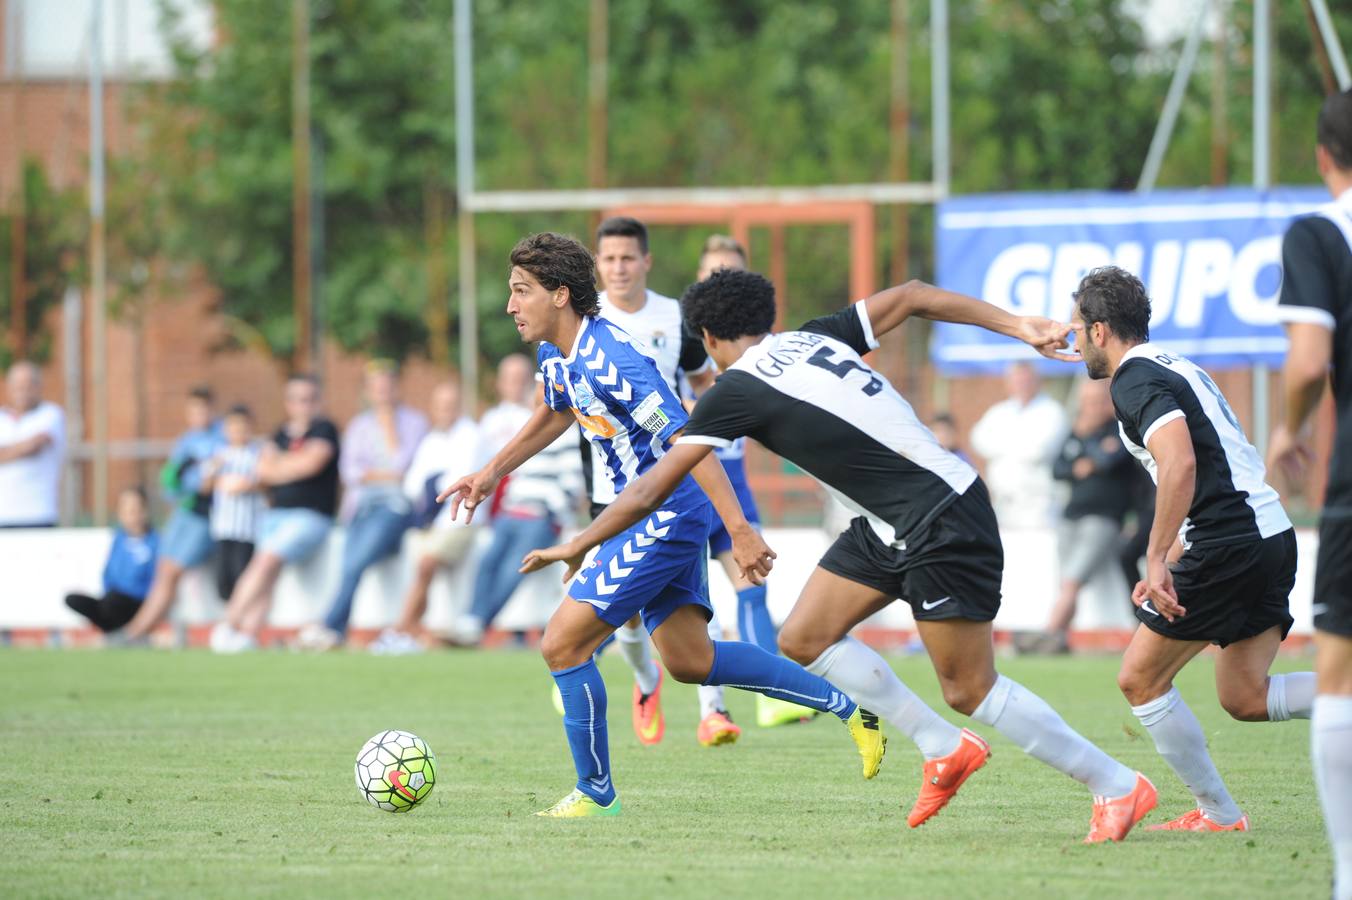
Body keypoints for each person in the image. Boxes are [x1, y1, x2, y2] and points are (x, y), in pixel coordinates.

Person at [524, 267, 1154, 841]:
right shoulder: (816, 338)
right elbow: (910, 296)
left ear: (709, 337)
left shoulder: (736, 388)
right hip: (891, 520)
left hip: (938, 517)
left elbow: (652, 484)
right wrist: (1016, 325)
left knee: (970, 689)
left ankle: (1117, 786)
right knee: (804, 636)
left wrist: (579, 543)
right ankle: (942, 747)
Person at [443, 232, 884, 819]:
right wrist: (489, 473)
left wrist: (741, 529)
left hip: (667, 514)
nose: (510, 306)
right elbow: (555, 410)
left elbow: (690, 441)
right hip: (645, 514)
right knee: (689, 661)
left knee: (562, 643)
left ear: (560, 295)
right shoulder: (557, 353)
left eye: (521, 292)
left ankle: (596, 792)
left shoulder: (617, 362)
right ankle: (852, 709)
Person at [1069, 265, 1314, 833]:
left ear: (1101, 330)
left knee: (1139, 679)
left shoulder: (1131, 381)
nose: (1074, 339)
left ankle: (1220, 815)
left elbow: (1181, 462)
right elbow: (1209, 471)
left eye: (1078, 328)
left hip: (1233, 542)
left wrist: (1155, 558)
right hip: (1268, 535)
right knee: (1246, 696)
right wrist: (1173, 556)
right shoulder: (1176, 365)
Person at [592, 216, 730, 748]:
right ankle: (646, 681)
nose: (619, 267)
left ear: (646, 261)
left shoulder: (675, 318)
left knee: (696, 597)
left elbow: (701, 382)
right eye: (609, 259)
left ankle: (712, 711)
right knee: (623, 615)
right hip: (609, 488)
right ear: (597, 266)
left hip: (674, 483)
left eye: (628, 258)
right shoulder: (585, 321)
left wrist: (700, 417)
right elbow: (555, 401)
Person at [1266, 86, 1352, 900]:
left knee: (1341, 678)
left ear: (1324, 157)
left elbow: (1305, 362)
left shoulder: (1321, 231)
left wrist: (1291, 428)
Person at [695, 233, 811, 734]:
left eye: (731, 273)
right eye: (713, 272)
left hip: (732, 476)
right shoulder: (682, 338)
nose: (721, 281)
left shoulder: (756, 341)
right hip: (683, 476)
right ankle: (708, 707)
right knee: (676, 596)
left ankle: (772, 697)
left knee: (751, 583)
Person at [300, 362, 427, 650]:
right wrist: (385, 474)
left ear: (397, 388)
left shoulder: (414, 422)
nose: (382, 392)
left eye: (387, 385)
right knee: (349, 565)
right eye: (376, 387)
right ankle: (335, 630)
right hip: (361, 508)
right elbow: (351, 473)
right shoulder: (359, 425)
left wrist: (388, 426)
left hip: (395, 507)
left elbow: (406, 465)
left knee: (355, 562)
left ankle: (329, 626)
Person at [211, 374, 340, 653]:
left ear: (318, 401)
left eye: (309, 399)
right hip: (275, 515)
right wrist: (287, 466)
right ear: (288, 403)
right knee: (267, 574)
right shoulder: (280, 433)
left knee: (265, 562)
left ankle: (228, 625)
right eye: (296, 400)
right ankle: (247, 636)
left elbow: (309, 464)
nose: (303, 405)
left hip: (309, 516)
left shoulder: (325, 429)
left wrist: (281, 466)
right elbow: (264, 469)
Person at [450, 389, 582, 647]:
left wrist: (549, 508)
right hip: (512, 512)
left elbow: (571, 485)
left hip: (540, 516)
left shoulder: (568, 433)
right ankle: (471, 620)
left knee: (514, 566)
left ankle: (478, 624)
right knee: (487, 562)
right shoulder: (528, 432)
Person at [368, 380, 481, 655]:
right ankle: (412, 631)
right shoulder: (432, 439)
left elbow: (457, 484)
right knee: (420, 567)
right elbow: (413, 484)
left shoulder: (471, 436)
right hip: (430, 524)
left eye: (450, 405)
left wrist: (433, 488)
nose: (445, 411)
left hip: (462, 521)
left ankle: (401, 630)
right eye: (440, 406)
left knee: (426, 564)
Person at [1026, 379, 1136, 654]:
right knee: (1067, 582)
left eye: (1097, 401)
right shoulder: (1076, 431)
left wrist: (1090, 458)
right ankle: (1059, 639)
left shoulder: (1119, 430)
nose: (1091, 407)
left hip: (1104, 517)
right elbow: (1059, 468)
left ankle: (1048, 635)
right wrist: (1086, 459)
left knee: (1073, 579)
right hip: (1071, 515)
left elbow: (1110, 460)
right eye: (1087, 401)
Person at [120, 386, 222, 640]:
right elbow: (170, 483)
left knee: (171, 573)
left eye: (204, 409)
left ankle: (136, 633)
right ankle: (143, 630)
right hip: (183, 514)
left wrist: (200, 482)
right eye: (194, 410)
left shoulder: (221, 439)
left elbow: (211, 482)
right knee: (164, 572)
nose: (200, 414)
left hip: (204, 517)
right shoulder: (185, 442)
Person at [970, 360, 1068, 528]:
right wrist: (1021, 440)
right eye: (1017, 381)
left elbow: (1039, 451)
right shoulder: (999, 411)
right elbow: (979, 440)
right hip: (1002, 500)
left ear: (1037, 382)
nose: (1022, 385)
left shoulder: (1052, 411)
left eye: (1026, 381)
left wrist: (1002, 442)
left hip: (1038, 503)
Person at [64, 487, 158, 633]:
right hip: (112, 599)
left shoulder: (155, 542)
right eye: (126, 510)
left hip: (137, 603)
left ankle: (123, 630)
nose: (132, 515)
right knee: (74, 600)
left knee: (112, 604)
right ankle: (115, 632)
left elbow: (155, 582)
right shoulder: (118, 539)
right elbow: (109, 573)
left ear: (145, 511)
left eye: (135, 510)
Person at [204, 405, 265, 604]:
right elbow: (205, 487)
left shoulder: (256, 454)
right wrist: (213, 473)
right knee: (223, 579)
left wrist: (246, 485)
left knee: (243, 577)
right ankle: (229, 614)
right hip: (223, 527)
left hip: (247, 528)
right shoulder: (219, 455)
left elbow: (265, 484)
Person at [0, 361, 66, 528]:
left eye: (29, 385)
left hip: (39, 514)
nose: (23, 391)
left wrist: (6, 452)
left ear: (39, 387)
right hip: (4, 516)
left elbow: (35, 446)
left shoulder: (51, 414)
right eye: (18, 386)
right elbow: (27, 445)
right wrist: (22, 446)